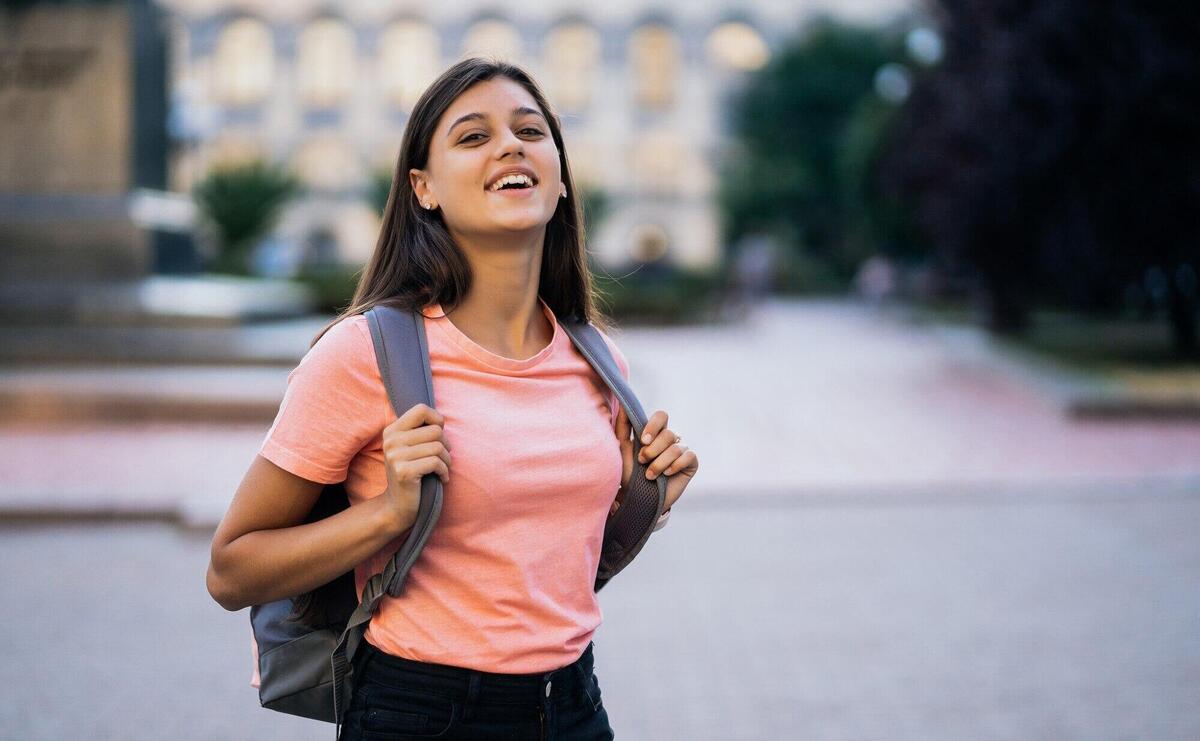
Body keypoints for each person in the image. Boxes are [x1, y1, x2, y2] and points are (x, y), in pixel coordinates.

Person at [205, 57, 700, 740]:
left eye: (531, 131)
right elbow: (231, 570)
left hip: (573, 706)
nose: (510, 145)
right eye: (473, 136)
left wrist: (643, 496)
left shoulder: (597, 360)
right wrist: (389, 513)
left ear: (558, 180)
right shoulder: (364, 354)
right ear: (424, 187)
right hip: (421, 711)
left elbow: (562, 575)